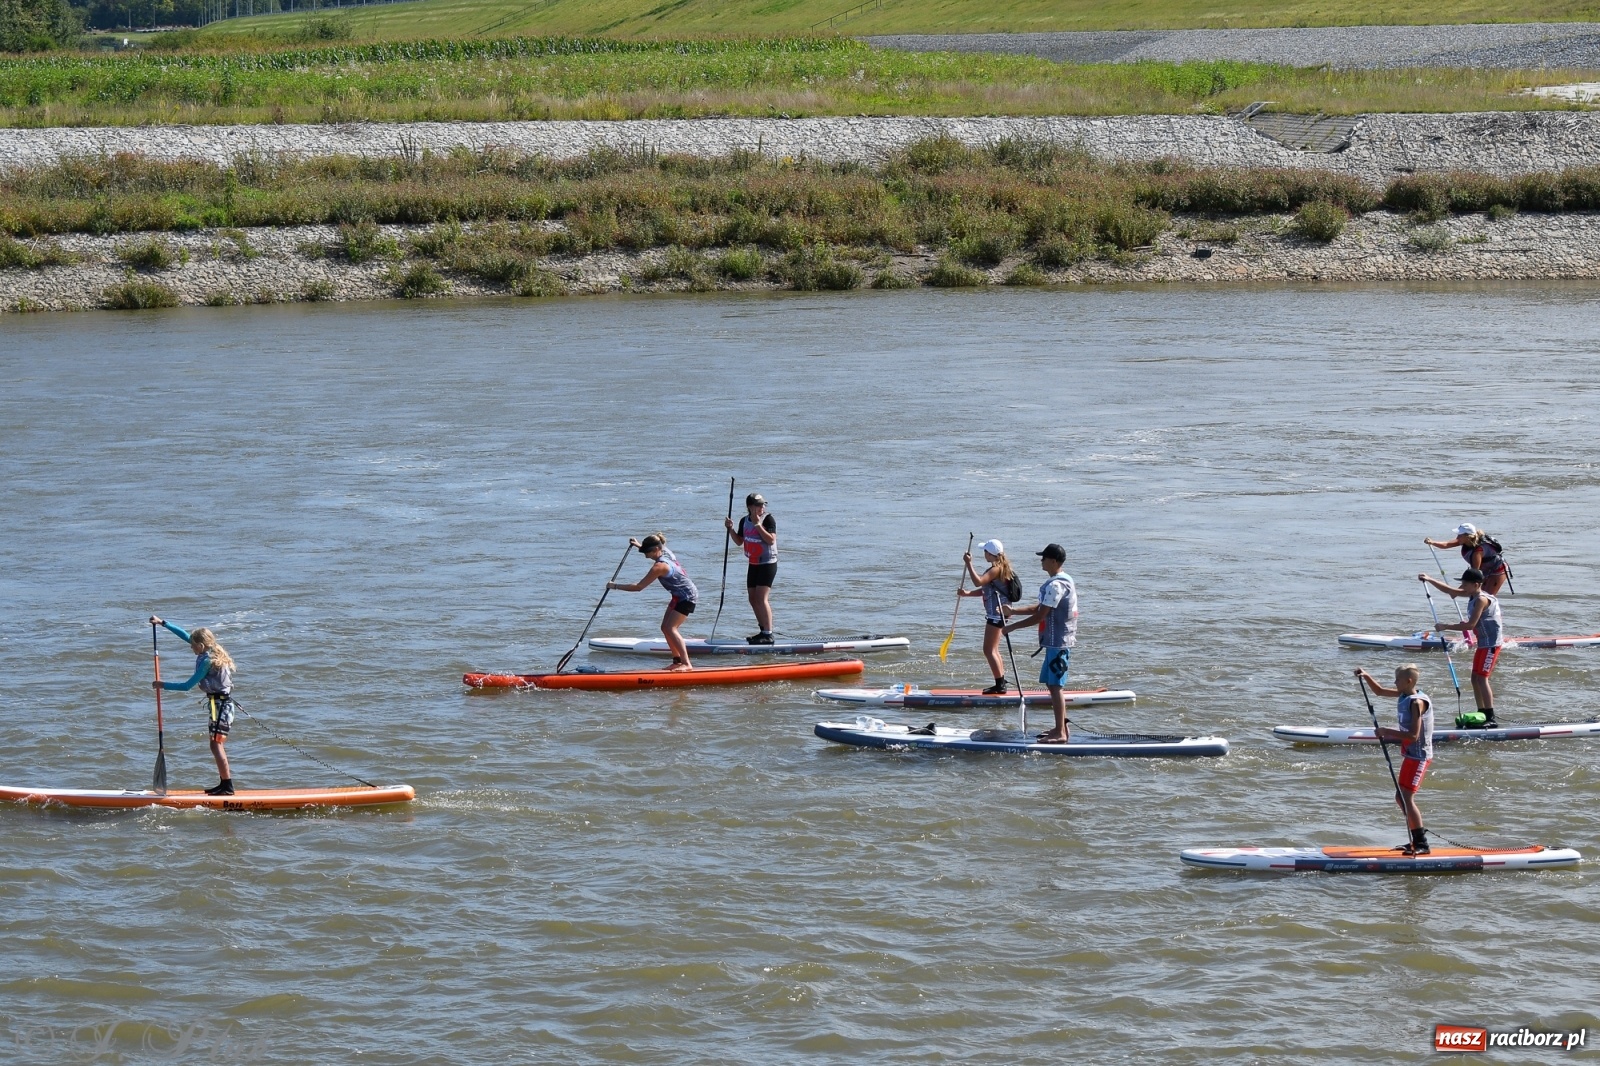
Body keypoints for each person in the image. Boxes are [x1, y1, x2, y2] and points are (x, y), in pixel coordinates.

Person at [150, 616, 238, 796]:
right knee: (215, 745)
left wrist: (162, 685)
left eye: (193, 645)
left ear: (202, 646)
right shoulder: (211, 650)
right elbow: (184, 635)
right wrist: (162, 623)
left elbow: (187, 686)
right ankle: (224, 784)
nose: (190, 647)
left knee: (216, 745)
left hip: (221, 707)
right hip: (218, 705)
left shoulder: (207, 661)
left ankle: (227, 786)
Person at [1002, 543, 1077, 744]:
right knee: (1052, 685)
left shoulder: (1056, 585)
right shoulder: (1063, 580)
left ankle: (1061, 733)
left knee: (1055, 686)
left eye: (1044, 558)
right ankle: (1060, 727)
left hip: (1058, 643)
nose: (1041, 561)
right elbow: (1041, 607)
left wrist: (1012, 627)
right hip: (1056, 643)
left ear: (1053, 561)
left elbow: (1040, 616)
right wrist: (1014, 611)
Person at [1355, 664, 1434, 856]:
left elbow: (1414, 736)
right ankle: (1415, 839)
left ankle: (1422, 844)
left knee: (1407, 797)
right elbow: (1380, 692)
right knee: (1400, 797)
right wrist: (1366, 676)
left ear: (1408, 681)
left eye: (1397, 679)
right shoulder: (1403, 695)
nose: (1394, 682)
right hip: (1410, 755)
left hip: (1420, 756)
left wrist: (1385, 732)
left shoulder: (1417, 703)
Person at [1417, 568, 1504, 727]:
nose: (1462, 586)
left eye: (1465, 583)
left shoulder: (1481, 600)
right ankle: (1481, 712)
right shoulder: (1473, 594)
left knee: (1482, 678)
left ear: (1476, 584)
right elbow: (1450, 591)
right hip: (1483, 644)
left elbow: (1470, 625)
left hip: (1491, 644)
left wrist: (1445, 626)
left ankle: (1490, 718)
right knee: (1474, 678)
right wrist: (1429, 579)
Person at [608, 533, 700, 671]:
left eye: (647, 551)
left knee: (671, 628)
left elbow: (639, 587)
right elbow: (652, 549)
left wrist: (614, 586)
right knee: (664, 627)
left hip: (687, 596)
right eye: (644, 551)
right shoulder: (665, 552)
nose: (645, 554)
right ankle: (677, 661)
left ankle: (687, 664)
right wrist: (639, 545)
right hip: (677, 595)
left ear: (657, 549)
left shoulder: (659, 567)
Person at [958, 539, 1018, 694]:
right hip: (999, 613)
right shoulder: (998, 569)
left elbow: (978, 582)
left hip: (997, 614)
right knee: (994, 650)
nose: (983, 554)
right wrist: (966, 594)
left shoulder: (996, 569)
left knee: (988, 650)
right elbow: (985, 589)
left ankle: (1000, 685)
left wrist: (968, 563)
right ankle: (1001, 681)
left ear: (991, 554)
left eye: (985, 551)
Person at [725, 492, 778, 645]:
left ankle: (768, 634)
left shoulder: (768, 519)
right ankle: (762, 631)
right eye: (758, 505)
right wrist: (730, 530)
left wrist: (757, 524)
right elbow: (739, 542)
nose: (762, 507)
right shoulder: (744, 521)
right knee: (752, 598)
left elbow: (770, 540)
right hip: (753, 563)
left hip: (768, 563)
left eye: (763, 504)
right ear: (750, 507)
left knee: (761, 598)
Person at [1425, 523, 1509, 595]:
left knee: (1486, 596)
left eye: (1459, 535)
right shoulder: (1464, 540)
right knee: (1475, 594)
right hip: (1484, 570)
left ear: (1467, 536)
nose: (1457, 537)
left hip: (1497, 571)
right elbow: (1446, 544)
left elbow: (1474, 573)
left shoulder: (1478, 551)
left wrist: (1458, 590)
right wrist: (1432, 542)